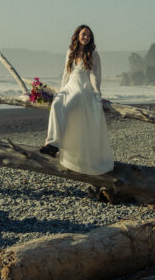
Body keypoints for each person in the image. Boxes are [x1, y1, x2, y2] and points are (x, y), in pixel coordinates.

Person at [39, 24, 114, 174]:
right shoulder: (70, 52)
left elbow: (94, 76)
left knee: (65, 108)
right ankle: (52, 144)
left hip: (82, 88)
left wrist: (97, 93)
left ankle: (58, 144)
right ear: (77, 35)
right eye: (83, 34)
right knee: (56, 105)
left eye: (88, 35)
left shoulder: (93, 54)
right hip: (69, 86)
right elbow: (66, 74)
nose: (85, 37)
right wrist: (61, 91)